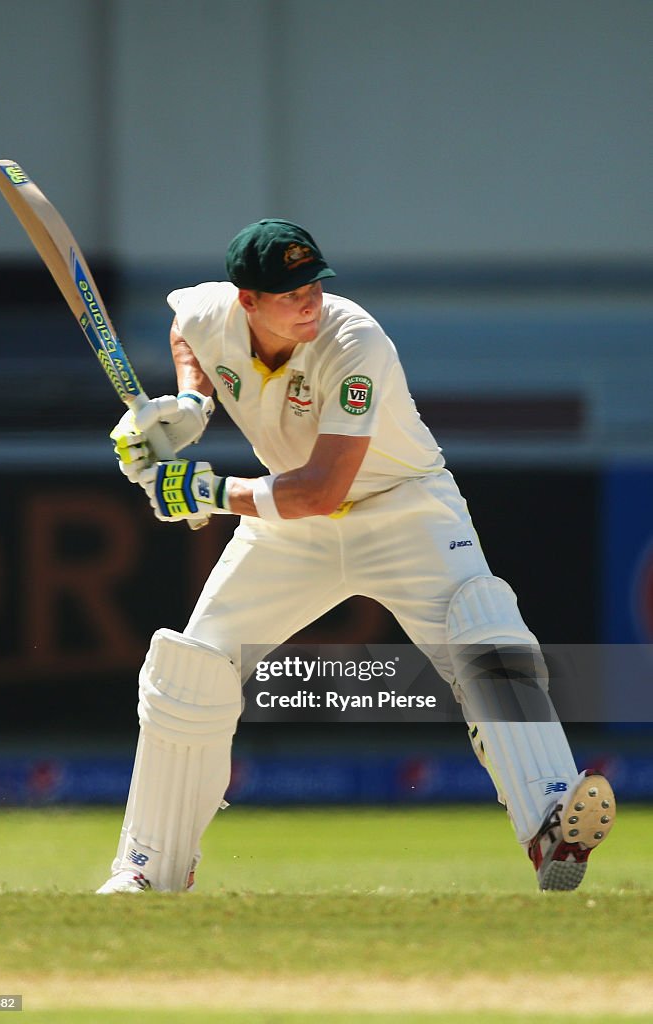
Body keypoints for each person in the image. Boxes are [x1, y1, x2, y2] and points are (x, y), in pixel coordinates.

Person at [97, 219, 615, 895]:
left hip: (402, 507)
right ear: (246, 300)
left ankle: (551, 823)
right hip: (289, 522)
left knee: (484, 631)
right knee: (192, 666)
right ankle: (147, 872)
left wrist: (206, 489)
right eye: (288, 292)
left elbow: (324, 488)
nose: (309, 300)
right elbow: (185, 331)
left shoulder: (354, 339)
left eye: (314, 282)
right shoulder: (209, 310)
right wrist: (194, 400)